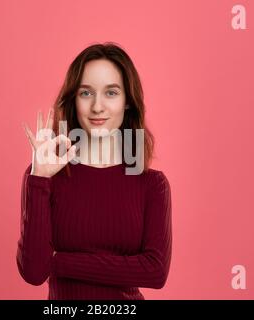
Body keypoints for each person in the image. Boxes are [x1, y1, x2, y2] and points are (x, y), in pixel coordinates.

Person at [17, 42, 172, 300]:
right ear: (74, 100)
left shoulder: (152, 184)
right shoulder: (44, 176)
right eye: (86, 93)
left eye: (111, 93)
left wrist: (58, 261)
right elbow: (33, 272)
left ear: (127, 103)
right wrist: (39, 178)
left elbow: (155, 272)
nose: (97, 107)